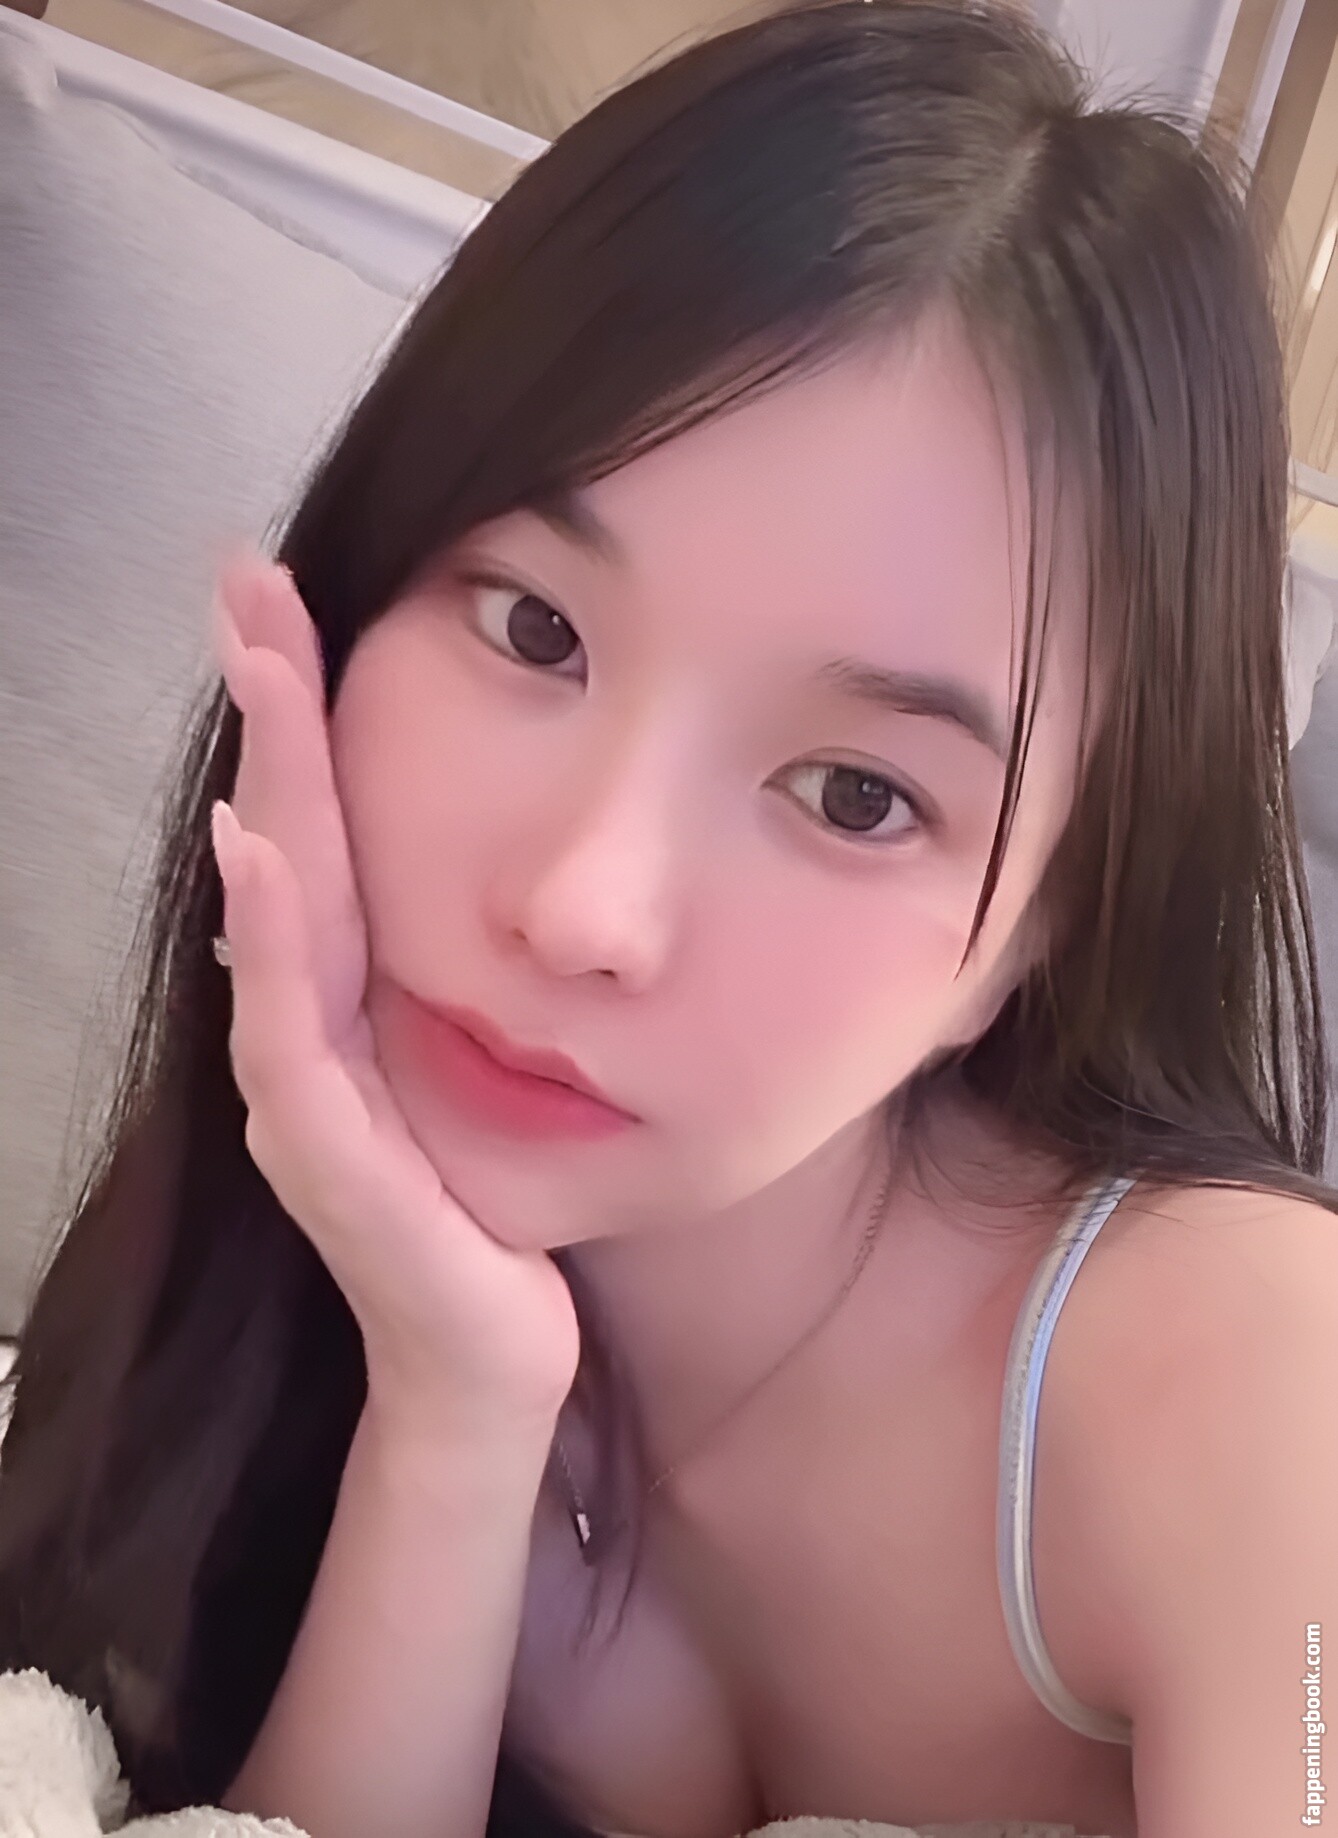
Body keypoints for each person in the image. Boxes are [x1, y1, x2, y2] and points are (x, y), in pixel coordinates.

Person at [0, 3, 1335, 1836]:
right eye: (534, 628)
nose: (583, 905)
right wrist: (454, 1405)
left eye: (855, 795)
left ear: (1040, 927)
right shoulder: (282, 1317)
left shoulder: (1248, 1379)